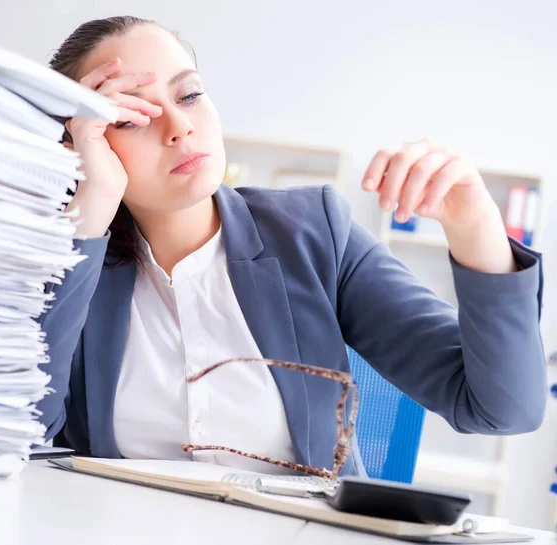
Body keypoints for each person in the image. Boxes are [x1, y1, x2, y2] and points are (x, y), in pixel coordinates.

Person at [39, 15, 547, 477]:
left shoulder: (312, 231)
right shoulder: (60, 264)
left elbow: (500, 408)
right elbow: (20, 434)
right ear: (83, 142)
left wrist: (478, 225)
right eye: (130, 118)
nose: (179, 127)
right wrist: (89, 211)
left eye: (189, 95)